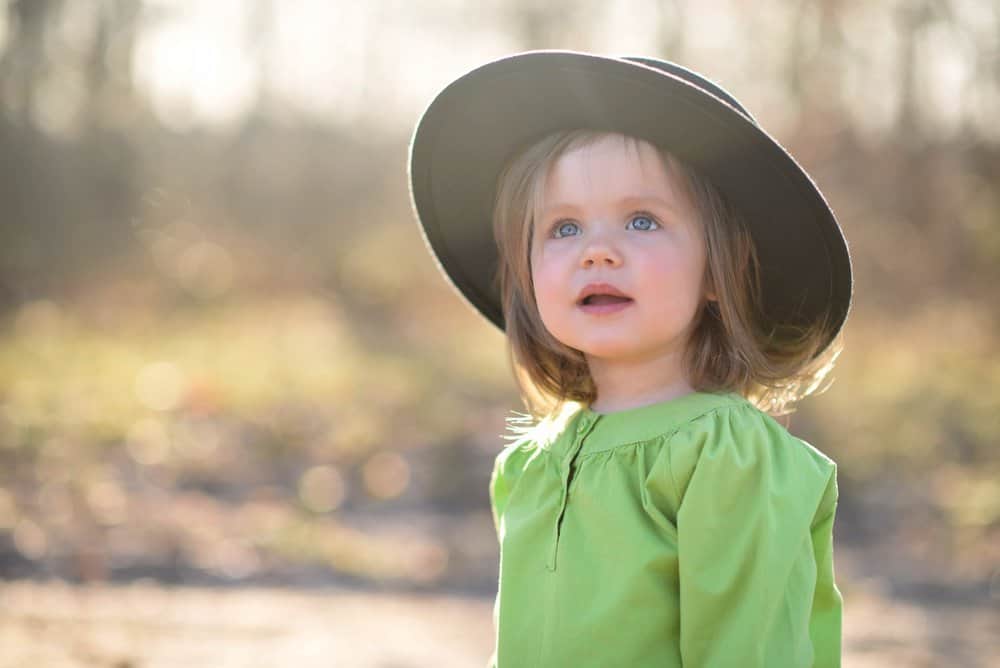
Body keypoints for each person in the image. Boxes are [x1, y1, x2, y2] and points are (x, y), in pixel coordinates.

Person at [408, 51, 852, 668]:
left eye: (642, 220)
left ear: (719, 272)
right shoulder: (532, 464)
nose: (598, 252)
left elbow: (749, 652)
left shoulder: (726, 458)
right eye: (563, 228)